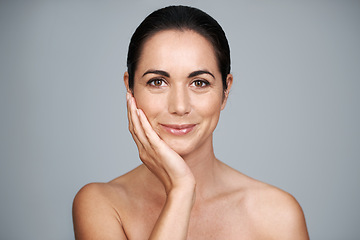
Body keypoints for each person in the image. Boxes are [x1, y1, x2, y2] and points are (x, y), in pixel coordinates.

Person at [72, 5, 309, 239]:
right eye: (157, 82)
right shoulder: (101, 204)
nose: (180, 107)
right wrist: (181, 191)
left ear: (226, 91)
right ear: (130, 87)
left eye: (199, 83)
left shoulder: (278, 215)